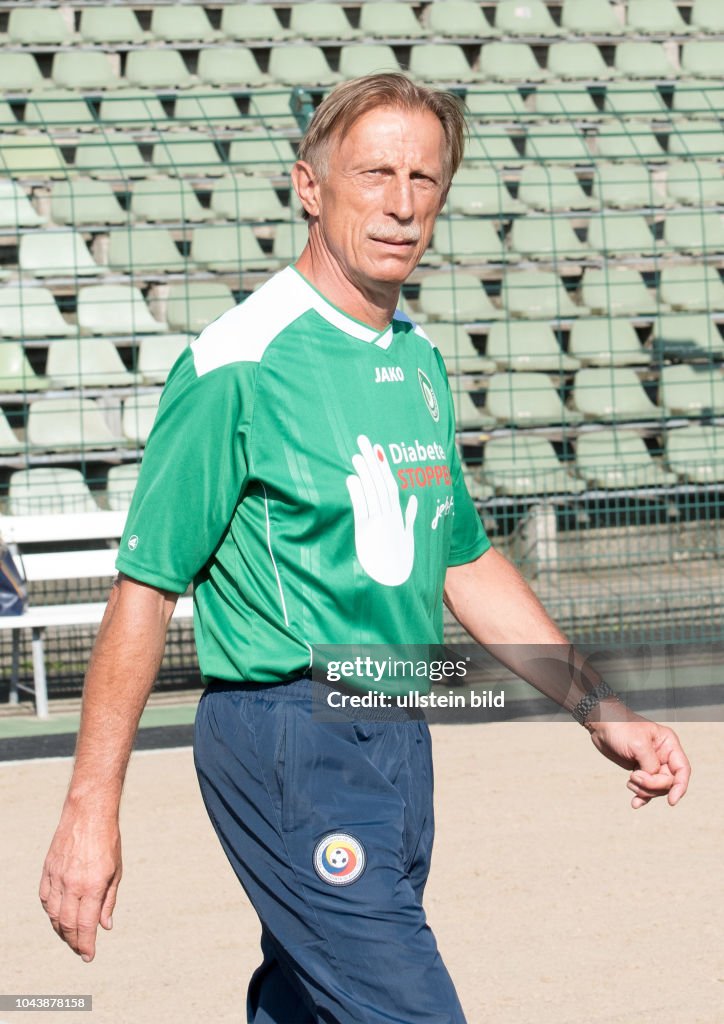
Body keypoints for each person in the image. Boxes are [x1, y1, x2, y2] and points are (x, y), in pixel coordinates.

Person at [40, 74, 691, 1023]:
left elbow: (464, 561)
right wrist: (88, 813)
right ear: (310, 185)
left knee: (312, 1004)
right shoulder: (238, 365)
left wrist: (600, 708)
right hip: (287, 732)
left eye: (425, 178)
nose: (400, 203)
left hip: (396, 720)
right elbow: (145, 588)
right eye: (375, 172)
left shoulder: (417, 361)